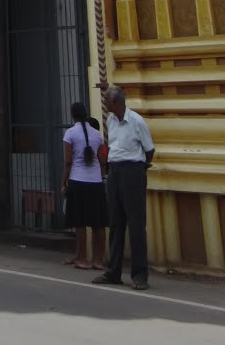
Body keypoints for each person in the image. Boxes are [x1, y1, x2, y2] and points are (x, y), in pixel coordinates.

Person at [93, 85, 155, 290]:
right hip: (115, 171)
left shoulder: (136, 121)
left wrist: (139, 169)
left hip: (133, 170)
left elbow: (149, 150)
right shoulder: (110, 121)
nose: (104, 103)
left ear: (116, 102)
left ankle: (139, 274)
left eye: (107, 100)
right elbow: (111, 146)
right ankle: (113, 271)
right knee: (116, 223)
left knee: (136, 225)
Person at [61, 101, 108, 269]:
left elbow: (68, 161)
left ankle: (81, 258)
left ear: (73, 115)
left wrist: (63, 182)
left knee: (80, 222)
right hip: (95, 182)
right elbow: (102, 159)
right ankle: (98, 260)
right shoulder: (97, 134)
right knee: (98, 223)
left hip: (77, 180)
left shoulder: (70, 133)